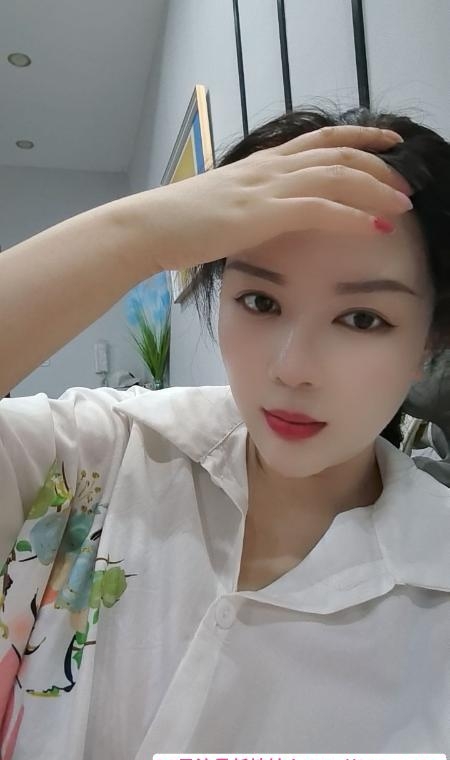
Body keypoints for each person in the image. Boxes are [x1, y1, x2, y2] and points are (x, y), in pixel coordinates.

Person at [0, 106, 449, 758]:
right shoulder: (96, 456)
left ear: (430, 341)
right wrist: (139, 233)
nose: (291, 368)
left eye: (362, 319)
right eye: (260, 302)